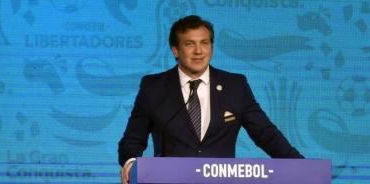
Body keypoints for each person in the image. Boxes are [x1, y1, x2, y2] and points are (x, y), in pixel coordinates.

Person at [118, 15, 303, 183]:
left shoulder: (235, 86)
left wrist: (303, 168)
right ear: (175, 50)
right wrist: (131, 163)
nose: (198, 51)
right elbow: (132, 140)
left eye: (204, 43)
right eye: (189, 44)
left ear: (212, 48)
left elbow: (266, 134)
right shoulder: (154, 87)